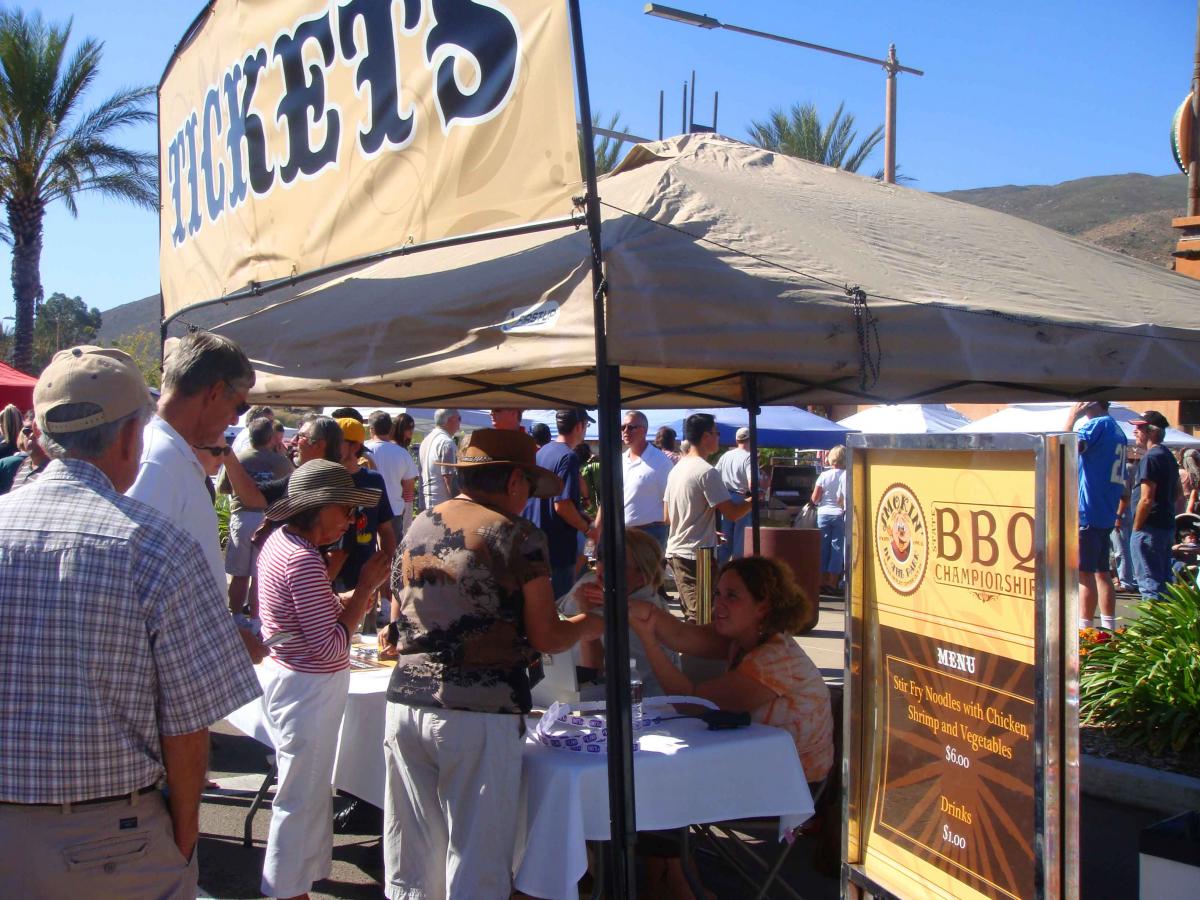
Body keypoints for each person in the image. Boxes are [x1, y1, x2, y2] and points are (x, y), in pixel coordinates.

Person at [0, 346, 259, 896]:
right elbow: (186, 727)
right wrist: (185, 836)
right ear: (128, 438)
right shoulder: (156, 545)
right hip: (110, 842)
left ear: (41, 434)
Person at [382, 429, 603, 899]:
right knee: (477, 858)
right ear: (515, 481)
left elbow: (398, 608)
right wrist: (592, 623)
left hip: (406, 701)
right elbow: (546, 636)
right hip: (477, 712)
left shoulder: (419, 524)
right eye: (529, 487)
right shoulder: (516, 535)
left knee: (414, 855)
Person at [627, 556, 834, 898]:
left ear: (763, 607)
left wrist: (649, 641)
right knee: (652, 774)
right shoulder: (745, 638)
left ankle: (678, 884)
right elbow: (681, 635)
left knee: (658, 779)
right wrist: (620, 603)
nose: (718, 604)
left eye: (732, 596)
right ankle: (666, 879)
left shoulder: (775, 659)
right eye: (718, 594)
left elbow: (693, 702)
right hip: (758, 767)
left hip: (791, 787)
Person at [256, 460, 391, 899]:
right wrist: (364, 590)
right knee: (301, 795)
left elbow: (312, 610)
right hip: (307, 690)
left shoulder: (283, 543)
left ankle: (299, 879)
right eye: (345, 510)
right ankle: (285, 888)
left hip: (294, 682)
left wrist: (351, 597)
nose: (351, 520)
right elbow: (331, 647)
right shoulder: (302, 558)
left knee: (308, 791)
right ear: (318, 508)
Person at [127, 331, 269, 662]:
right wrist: (223, 640)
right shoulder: (157, 461)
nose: (235, 419)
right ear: (215, 392)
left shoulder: (168, 455)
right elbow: (135, 590)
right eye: (239, 406)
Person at [561, 528, 679, 695]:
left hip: (638, 704)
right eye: (602, 558)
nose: (603, 567)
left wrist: (586, 610)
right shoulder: (593, 584)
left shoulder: (638, 615)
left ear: (643, 575)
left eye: (617, 563)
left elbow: (593, 674)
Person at [664, 413, 752, 621]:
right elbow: (732, 513)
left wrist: (706, 528)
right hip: (697, 554)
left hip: (679, 549)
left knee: (699, 613)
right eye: (716, 433)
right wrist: (753, 501)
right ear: (706, 436)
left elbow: (667, 516)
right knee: (701, 616)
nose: (719, 437)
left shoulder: (677, 469)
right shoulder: (706, 472)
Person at [217, 416, 293, 615]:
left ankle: (235, 616)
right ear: (270, 438)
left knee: (239, 575)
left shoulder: (239, 459)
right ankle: (256, 618)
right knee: (260, 575)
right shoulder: (282, 462)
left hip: (242, 517)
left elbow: (223, 488)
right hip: (269, 520)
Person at [1065, 401, 1127, 630]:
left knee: (1085, 574)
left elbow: (1065, 445)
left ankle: (1085, 631)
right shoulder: (1117, 429)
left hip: (1088, 510)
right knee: (1103, 572)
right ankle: (1109, 629)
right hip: (1105, 510)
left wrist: (1072, 417)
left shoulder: (1096, 425)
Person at [526, 408, 599, 598]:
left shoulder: (543, 452)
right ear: (579, 426)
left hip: (535, 543)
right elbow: (562, 505)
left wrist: (581, 515)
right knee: (559, 605)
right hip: (557, 548)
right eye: (586, 425)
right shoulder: (568, 457)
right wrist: (587, 529)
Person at [330, 418, 396, 606]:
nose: (330, 447)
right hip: (328, 571)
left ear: (355, 446)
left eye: (336, 442)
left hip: (364, 573)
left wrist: (386, 570)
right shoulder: (325, 478)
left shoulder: (373, 481)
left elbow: (386, 530)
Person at [1130, 410, 1179, 601]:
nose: (1135, 431)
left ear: (1151, 432)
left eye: (1139, 428)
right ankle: (1165, 620)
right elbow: (1177, 492)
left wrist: (1137, 527)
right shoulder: (1167, 455)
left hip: (1148, 528)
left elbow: (1146, 499)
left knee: (1150, 584)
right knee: (1163, 582)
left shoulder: (1151, 458)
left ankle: (1152, 620)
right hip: (1165, 524)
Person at [621, 410, 674, 549]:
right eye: (623, 427)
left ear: (644, 430)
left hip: (650, 533)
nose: (625, 431)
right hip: (623, 532)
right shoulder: (620, 460)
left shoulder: (660, 462)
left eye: (631, 427)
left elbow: (671, 500)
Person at [715, 426, 759, 564]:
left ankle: (720, 572)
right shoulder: (749, 457)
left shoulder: (725, 456)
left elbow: (714, 477)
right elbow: (753, 483)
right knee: (741, 542)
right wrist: (757, 495)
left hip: (725, 499)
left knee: (725, 541)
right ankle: (737, 571)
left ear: (736, 440)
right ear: (751, 439)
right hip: (742, 499)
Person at [811, 445, 847, 595]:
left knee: (822, 547)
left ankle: (820, 581)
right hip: (839, 514)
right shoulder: (847, 475)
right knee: (837, 548)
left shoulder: (824, 475)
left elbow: (815, 498)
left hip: (823, 513)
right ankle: (832, 582)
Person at [419, 407, 460, 510]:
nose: (459, 424)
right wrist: (459, 504)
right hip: (443, 505)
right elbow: (449, 478)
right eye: (459, 419)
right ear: (451, 419)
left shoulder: (426, 440)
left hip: (427, 503)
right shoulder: (446, 442)